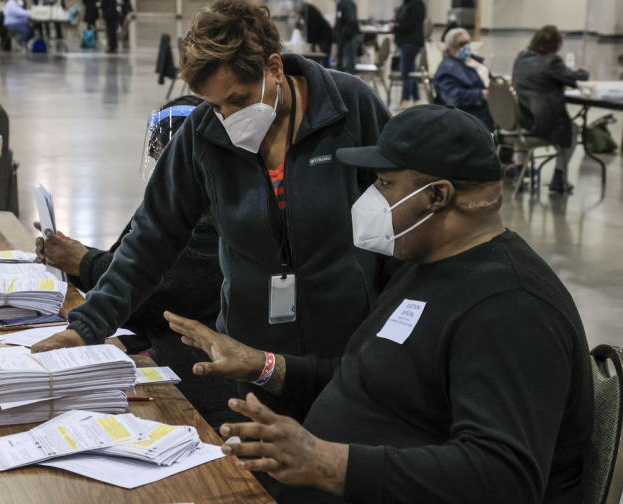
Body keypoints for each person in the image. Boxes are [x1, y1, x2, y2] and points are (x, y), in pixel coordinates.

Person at [164, 105, 593, 504]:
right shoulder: (426, 264)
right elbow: (368, 377)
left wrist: (329, 462)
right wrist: (262, 364)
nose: (370, 197)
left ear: (437, 196)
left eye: (385, 183)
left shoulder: (511, 308)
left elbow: (505, 477)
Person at [31, 0, 395, 424]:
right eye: (216, 105)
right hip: (249, 358)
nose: (228, 117)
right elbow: (151, 238)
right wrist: (87, 325)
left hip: (347, 352)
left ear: (274, 68)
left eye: (239, 100)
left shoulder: (348, 107)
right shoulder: (203, 134)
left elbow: (402, 216)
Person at [35, 96, 240, 428]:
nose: (162, 165)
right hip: (154, 338)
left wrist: (83, 262)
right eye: (158, 154)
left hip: (192, 357)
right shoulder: (170, 202)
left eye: (166, 154)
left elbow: (161, 292)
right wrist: (76, 257)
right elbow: (128, 261)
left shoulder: (219, 216)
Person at [512, 25, 589, 194]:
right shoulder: (551, 61)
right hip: (542, 123)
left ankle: (519, 173)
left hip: (520, 119)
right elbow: (576, 78)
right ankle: (558, 177)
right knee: (572, 130)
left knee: (521, 134)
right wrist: (583, 71)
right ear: (556, 44)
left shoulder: (521, 57)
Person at [434, 28, 494, 131]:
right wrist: (481, 95)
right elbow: (452, 97)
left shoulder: (471, 61)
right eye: (461, 44)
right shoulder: (448, 68)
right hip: (469, 115)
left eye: (467, 43)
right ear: (451, 46)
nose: (466, 47)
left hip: (485, 109)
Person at [390, 0, 425, 109]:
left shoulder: (417, 4)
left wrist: (396, 26)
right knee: (410, 71)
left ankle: (405, 99)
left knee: (406, 72)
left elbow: (412, 24)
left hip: (411, 42)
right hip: (404, 42)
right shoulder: (405, 4)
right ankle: (416, 99)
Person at [332, 0, 360, 75]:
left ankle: (349, 86)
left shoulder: (346, 3)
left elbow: (351, 22)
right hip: (344, 39)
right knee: (341, 66)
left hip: (349, 39)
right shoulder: (341, 4)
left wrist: (343, 35)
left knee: (348, 66)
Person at [301, 2, 332, 68]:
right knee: (318, 59)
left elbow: (313, 28)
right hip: (320, 37)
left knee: (323, 59)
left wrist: (315, 44)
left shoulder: (307, 11)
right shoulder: (307, 9)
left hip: (323, 37)